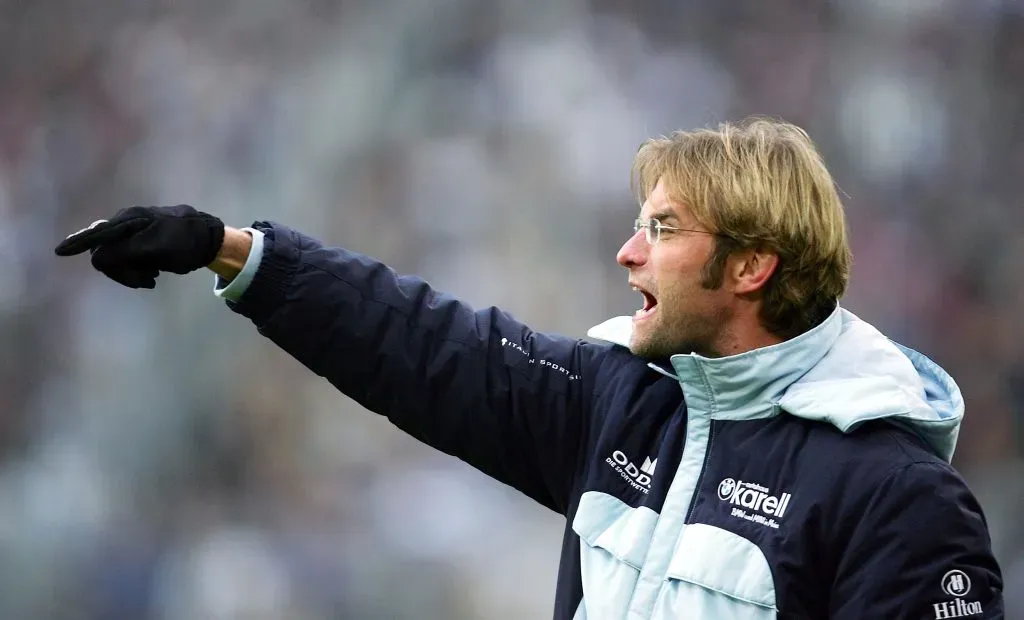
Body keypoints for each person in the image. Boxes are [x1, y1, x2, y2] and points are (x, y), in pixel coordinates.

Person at [55, 118, 1004, 619]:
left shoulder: (897, 499)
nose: (627, 254)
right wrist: (231, 249)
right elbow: (424, 343)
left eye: (662, 231)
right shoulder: (619, 401)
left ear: (752, 266)